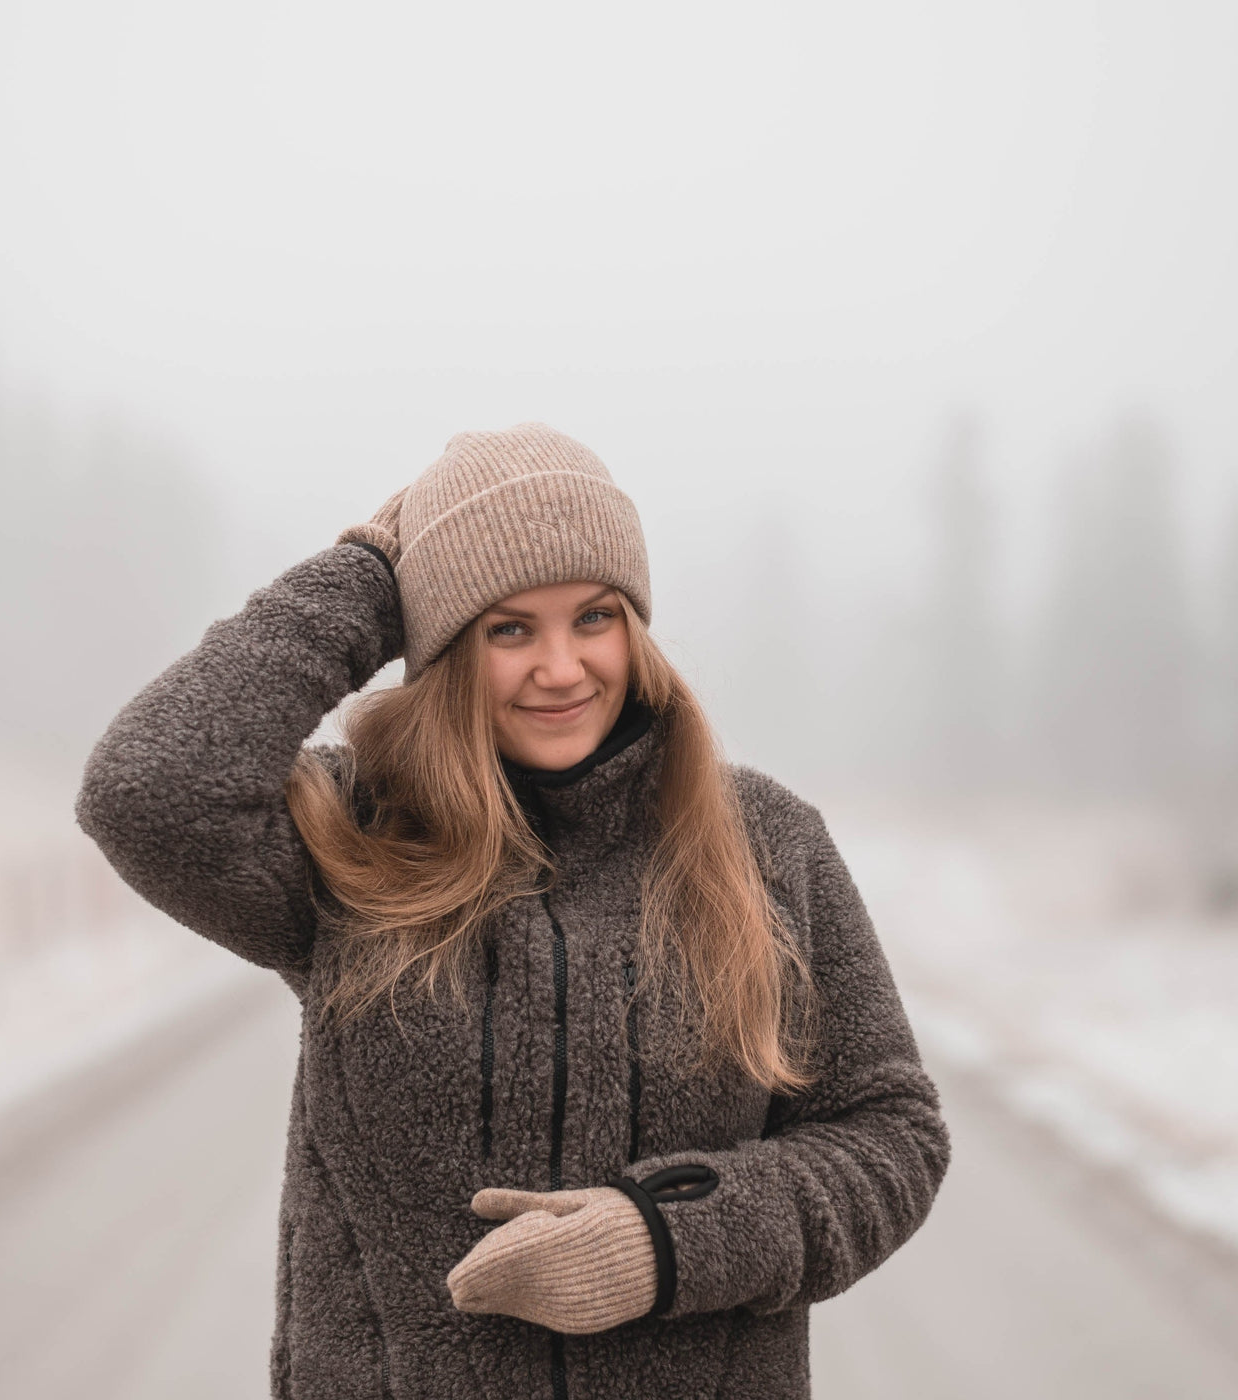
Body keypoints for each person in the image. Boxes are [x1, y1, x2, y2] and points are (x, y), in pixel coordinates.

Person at [75, 422, 951, 1400]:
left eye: (594, 616)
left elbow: (888, 1131)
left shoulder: (764, 842)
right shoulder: (353, 834)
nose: (561, 666)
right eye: (507, 628)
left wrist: (672, 1237)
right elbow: (146, 788)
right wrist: (372, 576)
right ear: (443, 646)